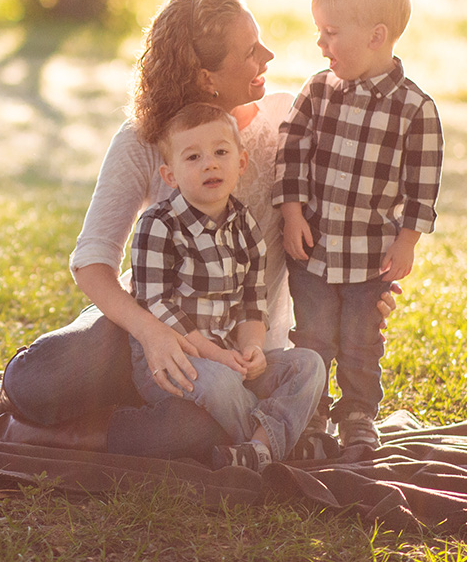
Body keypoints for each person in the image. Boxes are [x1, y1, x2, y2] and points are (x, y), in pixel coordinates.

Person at [0, 0, 395, 464]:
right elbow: (92, 260)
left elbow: (348, 206)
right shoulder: (144, 140)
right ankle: (23, 405)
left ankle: (21, 434)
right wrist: (152, 335)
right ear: (204, 77)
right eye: (251, 51)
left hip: (242, 348)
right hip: (144, 324)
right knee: (38, 380)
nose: (269, 59)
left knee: (192, 435)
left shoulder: (289, 118)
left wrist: (368, 289)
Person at [274, 0, 444, 449]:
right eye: (318, 33)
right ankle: (308, 414)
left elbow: (422, 181)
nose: (321, 45)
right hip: (313, 247)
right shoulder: (317, 90)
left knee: (361, 341)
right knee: (312, 337)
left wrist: (407, 240)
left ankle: (357, 416)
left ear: (376, 36)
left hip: (371, 256)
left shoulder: (415, 108)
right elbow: (292, 149)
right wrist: (290, 212)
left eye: (330, 33)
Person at [129, 102, 323, 470]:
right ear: (170, 176)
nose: (210, 164)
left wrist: (252, 348)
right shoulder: (159, 225)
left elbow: (253, 300)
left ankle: (257, 449)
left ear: (241, 163)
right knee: (220, 384)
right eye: (194, 157)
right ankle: (276, 444)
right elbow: (157, 304)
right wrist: (215, 357)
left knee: (308, 365)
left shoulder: (245, 224)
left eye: (221, 152)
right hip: (173, 358)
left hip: (229, 358)